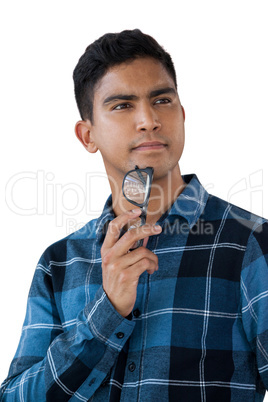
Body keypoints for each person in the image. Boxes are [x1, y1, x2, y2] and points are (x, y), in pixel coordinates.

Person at [1, 29, 268, 402]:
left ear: (182, 114)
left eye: (162, 100)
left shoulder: (251, 242)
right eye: (122, 105)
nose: (148, 120)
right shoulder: (59, 263)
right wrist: (105, 313)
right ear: (87, 136)